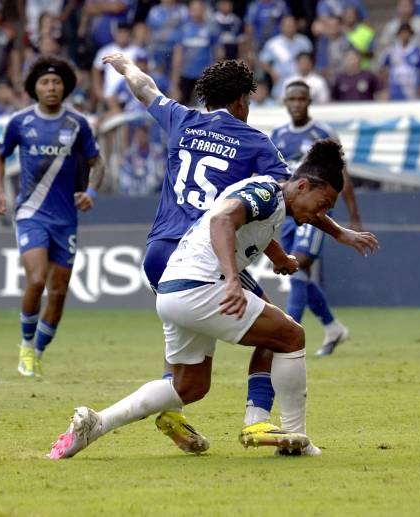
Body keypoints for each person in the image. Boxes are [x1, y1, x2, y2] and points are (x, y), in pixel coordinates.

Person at [99, 53, 378, 452]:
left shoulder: (181, 118)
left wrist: (126, 65)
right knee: (279, 330)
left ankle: (172, 406)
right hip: (206, 248)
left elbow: (145, 88)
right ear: (242, 101)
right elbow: (295, 196)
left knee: (185, 337)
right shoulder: (255, 142)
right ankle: (257, 419)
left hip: (159, 251)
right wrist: (340, 232)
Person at [48, 140, 348, 460]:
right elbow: (221, 221)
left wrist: (286, 255)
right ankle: (285, 433)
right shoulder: (266, 195)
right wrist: (232, 279)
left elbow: (252, 227)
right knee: (290, 336)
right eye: (323, 203)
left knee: (189, 387)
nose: (322, 212)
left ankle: (95, 423)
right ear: (302, 186)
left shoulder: (270, 199)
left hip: (172, 292)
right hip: (201, 286)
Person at [0, 56, 106, 377]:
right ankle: (26, 346)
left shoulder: (78, 123)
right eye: (45, 82)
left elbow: (98, 163)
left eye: (56, 82)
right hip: (30, 213)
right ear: (35, 88)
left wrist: (91, 192)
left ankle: (38, 352)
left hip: (66, 217)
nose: (51, 87)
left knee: (57, 292)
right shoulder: (20, 122)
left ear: (65, 87)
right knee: (37, 279)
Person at [271, 80, 362, 356]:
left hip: (315, 210)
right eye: (292, 99)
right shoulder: (278, 135)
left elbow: (342, 176)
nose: (297, 104)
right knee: (297, 272)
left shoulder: (323, 133)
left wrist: (354, 216)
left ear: (309, 101)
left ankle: (287, 335)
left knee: (299, 263)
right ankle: (333, 327)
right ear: (285, 102)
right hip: (289, 210)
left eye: (302, 99)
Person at [378, 22, 420, 100]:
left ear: (411, 34)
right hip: (395, 91)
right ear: (398, 34)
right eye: (402, 32)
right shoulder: (390, 50)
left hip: (414, 91)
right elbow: (381, 69)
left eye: (407, 32)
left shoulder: (419, 51)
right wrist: (385, 88)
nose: (404, 35)